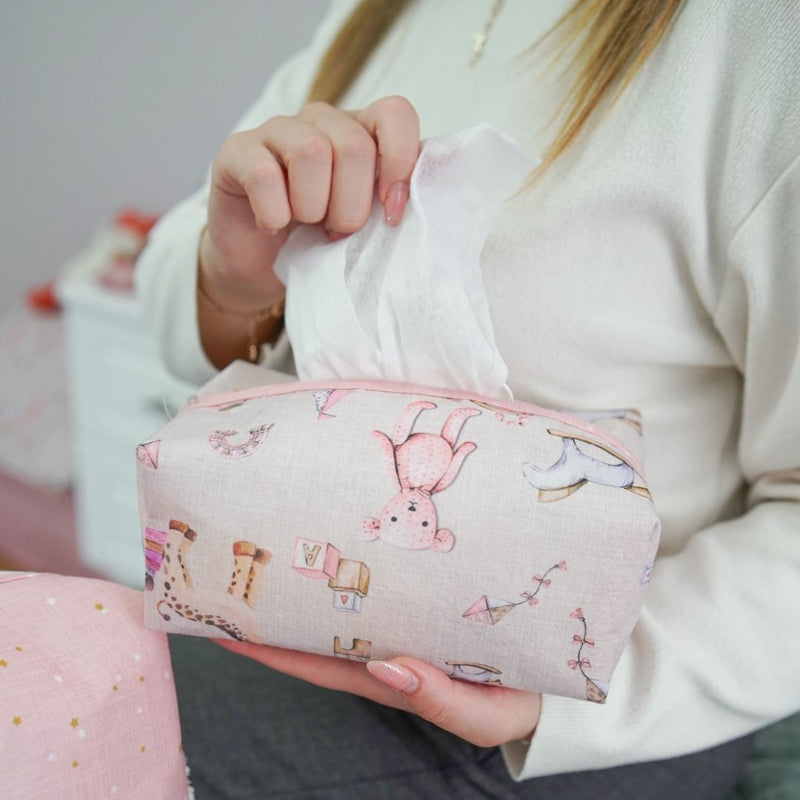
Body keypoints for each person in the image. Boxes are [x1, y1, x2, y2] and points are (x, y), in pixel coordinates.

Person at [136, 1, 800, 797]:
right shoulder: (377, 14)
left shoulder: (757, 45)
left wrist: (569, 698)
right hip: (291, 609)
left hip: (588, 717)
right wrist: (235, 274)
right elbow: (169, 283)